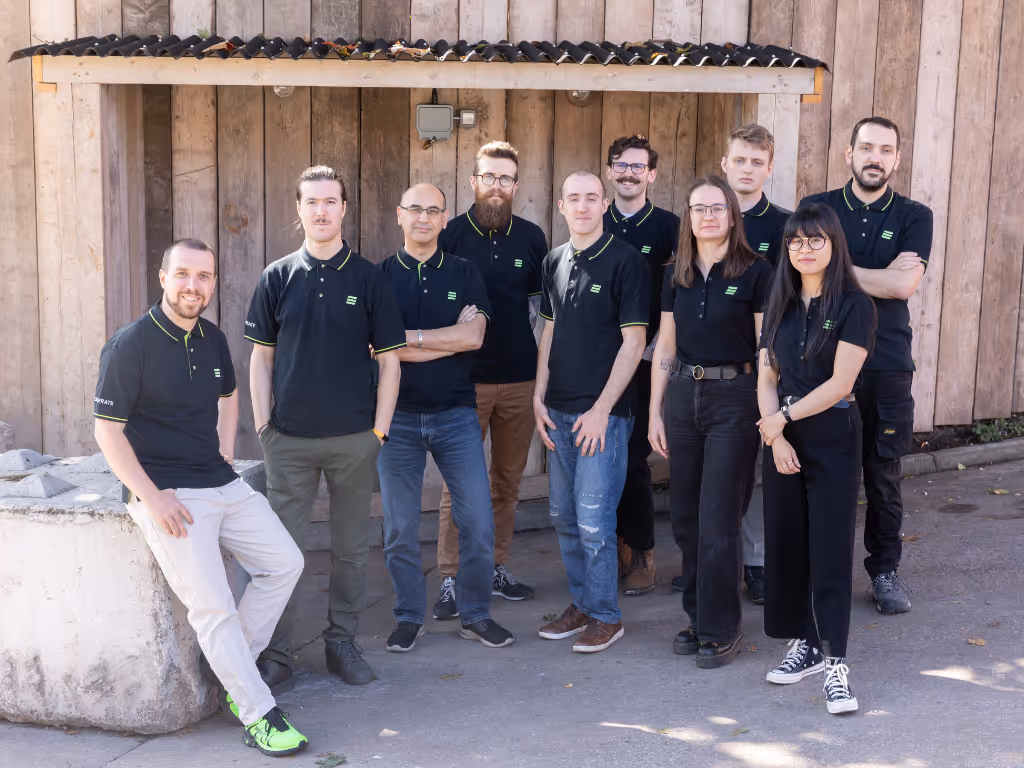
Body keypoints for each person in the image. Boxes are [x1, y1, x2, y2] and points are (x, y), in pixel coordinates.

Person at [94, 239, 308, 757]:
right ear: (163, 277)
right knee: (212, 605)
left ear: (214, 283)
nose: (194, 286)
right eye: (184, 274)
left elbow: (229, 395)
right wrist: (150, 497)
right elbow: (108, 431)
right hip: (167, 490)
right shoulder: (131, 344)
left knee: (284, 563)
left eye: (205, 276)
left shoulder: (211, 339)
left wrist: (227, 449)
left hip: (219, 479)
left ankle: (233, 671)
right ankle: (257, 711)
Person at [245, 166, 406, 689]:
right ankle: (278, 653)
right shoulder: (277, 277)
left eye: (330, 201)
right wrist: (264, 425)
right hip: (287, 441)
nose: (321, 210)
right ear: (299, 209)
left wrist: (378, 433)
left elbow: (390, 361)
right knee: (281, 553)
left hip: (353, 439)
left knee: (350, 548)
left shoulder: (368, 278)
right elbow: (260, 359)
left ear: (343, 209)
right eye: (311, 201)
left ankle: (342, 642)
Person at [800, 117, 933, 614]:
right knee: (821, 471)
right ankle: (817, 571)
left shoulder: (915, 216)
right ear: (849, 153)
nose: (875, 157)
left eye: (886, 150)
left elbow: (902, 288)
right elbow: (801, 275)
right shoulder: (819, 208)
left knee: (883, 473)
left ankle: (884, 571)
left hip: (887, 362)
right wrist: (871, 275)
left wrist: (834, 269)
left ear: (896, 159)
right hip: (819, 360)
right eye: (867, 147)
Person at [377, 183, 515, 652]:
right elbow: (378, 350)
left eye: (432, 210)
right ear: (399, 215)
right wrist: (443, 337)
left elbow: (474, 338)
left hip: (457, 414)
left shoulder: (464, 271)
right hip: (397, 419)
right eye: (414, 208)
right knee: (398, 528)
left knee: (477, 521)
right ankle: (409, 615)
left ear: (444, 217)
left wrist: (406, 340)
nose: (423, 217)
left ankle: (474, 614)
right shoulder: (380, 278)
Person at [756, 204, 877, 715]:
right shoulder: (779, 300)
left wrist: (782, 418)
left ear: (834, 244)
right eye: (795, 242)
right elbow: (766, 373)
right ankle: (803, 644)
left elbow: (841, 384)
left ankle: (836, 664)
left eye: (815, 240)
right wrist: (775, 435)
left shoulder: (855, 304)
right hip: (782, 440)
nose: (804, 249)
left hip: (830, 436)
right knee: (788, 545)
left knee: (828, 550)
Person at [649, 175, 772, 669]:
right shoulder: (675, 272)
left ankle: (722, 628)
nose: (708, 216)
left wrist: (768, 412)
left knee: (719, 517)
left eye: (717, 208)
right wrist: (656, 410)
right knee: (685, 517)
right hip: (683, 396)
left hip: (734, 399)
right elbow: (665, 344)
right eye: (699, 208)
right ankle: (698, 617)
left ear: (731, 215)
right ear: (689, 216)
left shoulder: (757, 271)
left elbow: (767, 349)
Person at [432, 141, 549, 620]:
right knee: (457, 487)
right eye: (488, 177)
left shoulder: (532, 237)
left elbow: (542, 310)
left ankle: (495, 567)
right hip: (465, 384)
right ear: (474, 181)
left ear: (515, 186)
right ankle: (449, 577)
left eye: (505, 179)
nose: (496, 186)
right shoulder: (451, 235)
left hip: (519, 379)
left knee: (506, 481)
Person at [535, 171, 649, 653]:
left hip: (603, 415)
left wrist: (603, 410)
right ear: (561, 206)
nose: (582, 206)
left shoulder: (627, 263)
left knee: (593, 518)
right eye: (573, 198)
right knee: (562, 515)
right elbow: (550, 330)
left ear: (604, 204)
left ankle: (606, 615)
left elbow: (635, 341)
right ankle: (582, 603)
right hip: (557, 412)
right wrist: (538, 396)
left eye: (591, 198)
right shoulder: (554, 260)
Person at [603, 134, 681, 596]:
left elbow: (682, 294)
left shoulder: (670, 227)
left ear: (651, 174)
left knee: (633, 460)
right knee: (601, 459)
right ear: (611, 171)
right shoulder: (595, 222)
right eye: (621, 165)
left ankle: (642, 551)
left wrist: (657, 348)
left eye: (638, 167)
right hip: (599, 362)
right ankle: (611, 548)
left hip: (651, 359)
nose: (629, 173)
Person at [720, 123, 792, 605]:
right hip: (710, 367)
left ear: (769, 168)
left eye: (756, 162)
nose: (747, 169)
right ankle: (714, 560)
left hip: (768, 366)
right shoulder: (704, 214)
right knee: (721, 472)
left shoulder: (787, 225)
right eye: (739, 160)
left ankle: (758, 562)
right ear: (725, 163)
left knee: (762, 469)